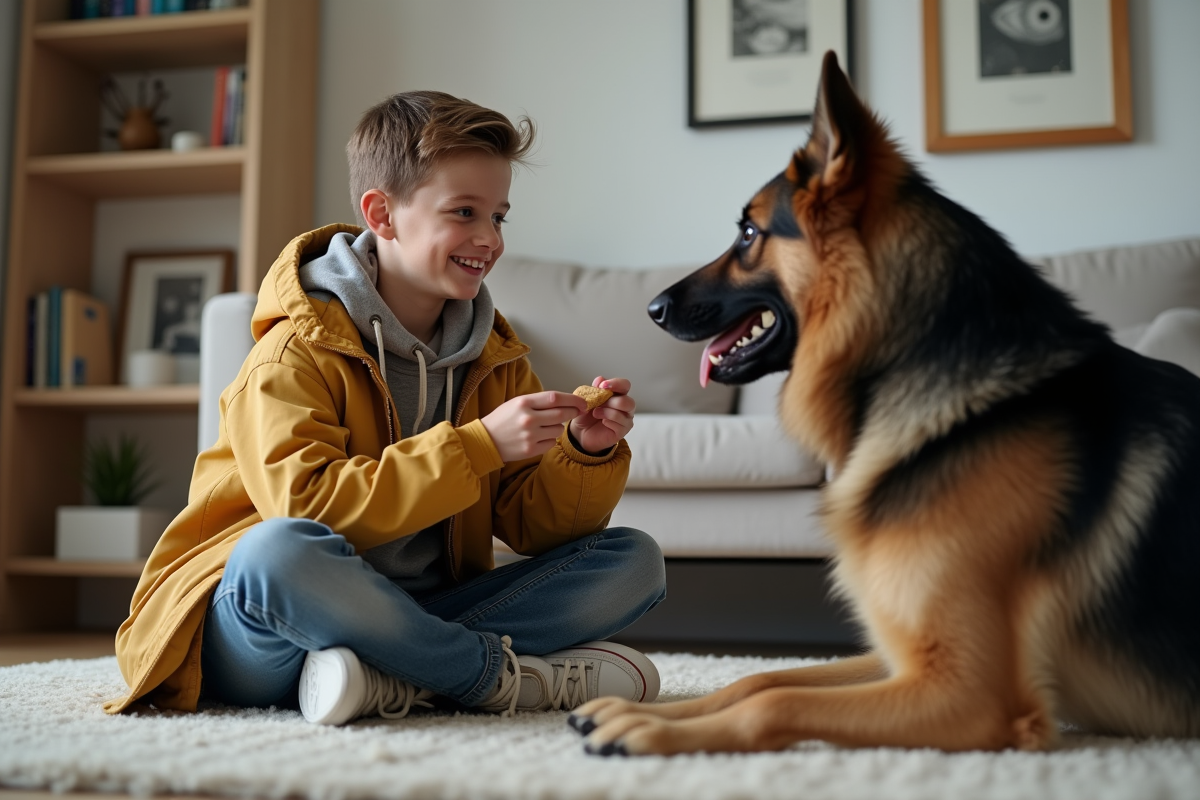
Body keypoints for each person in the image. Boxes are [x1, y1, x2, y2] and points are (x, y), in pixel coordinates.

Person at [104, 91, 667, 726]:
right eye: (464, 212)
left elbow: (532, 529)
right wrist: (479, 444)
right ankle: (484, 678)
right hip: (267, 628)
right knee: (277, 552)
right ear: (383, 214)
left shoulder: (498, 357)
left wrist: (582, 453)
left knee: (632, 562)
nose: (489, 239)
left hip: (413, 609)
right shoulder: (294, 352)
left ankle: (389, 671)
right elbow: (308, 507)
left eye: (500, 216)